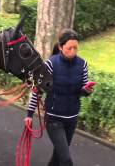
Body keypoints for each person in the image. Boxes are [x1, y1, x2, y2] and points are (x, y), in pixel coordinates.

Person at [24, 29, 96, 166]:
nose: (73, 51)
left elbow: (81, 91)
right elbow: (38, 90)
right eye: (69, 48)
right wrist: (29, 114)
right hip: (53, 119)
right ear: (60, 47)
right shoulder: (51, 64)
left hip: (72, 119)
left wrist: (87, 90)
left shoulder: (83, 65)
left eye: (76, 48)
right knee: (66, 160)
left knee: (58, 158)